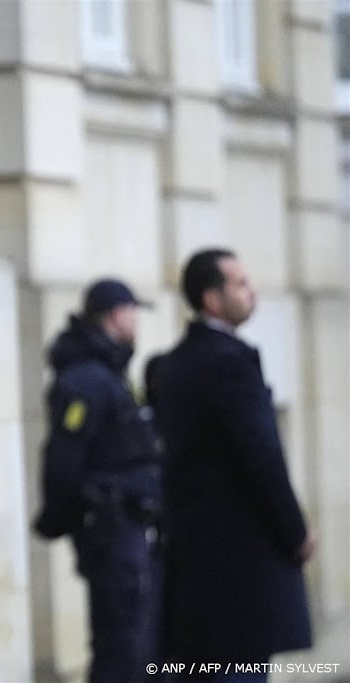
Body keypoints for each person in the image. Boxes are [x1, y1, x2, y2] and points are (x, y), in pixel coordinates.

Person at [155, 249, 314, 682]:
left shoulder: (175, 362)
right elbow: (261, 457)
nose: (252, 291)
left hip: (193, 558)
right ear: (212, 299)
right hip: (236, 562)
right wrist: (295, 531)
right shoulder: (228, 362)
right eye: (240, 284)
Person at [33, 279, 163, 683]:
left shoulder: (109, 371)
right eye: (133, 311)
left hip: (125, 526)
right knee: (120, 647)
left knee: (134, 642)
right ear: (116, 315)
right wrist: (59, 516)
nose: (137, 321)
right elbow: (65, 455)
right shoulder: (88, 379)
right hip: (111, 528)